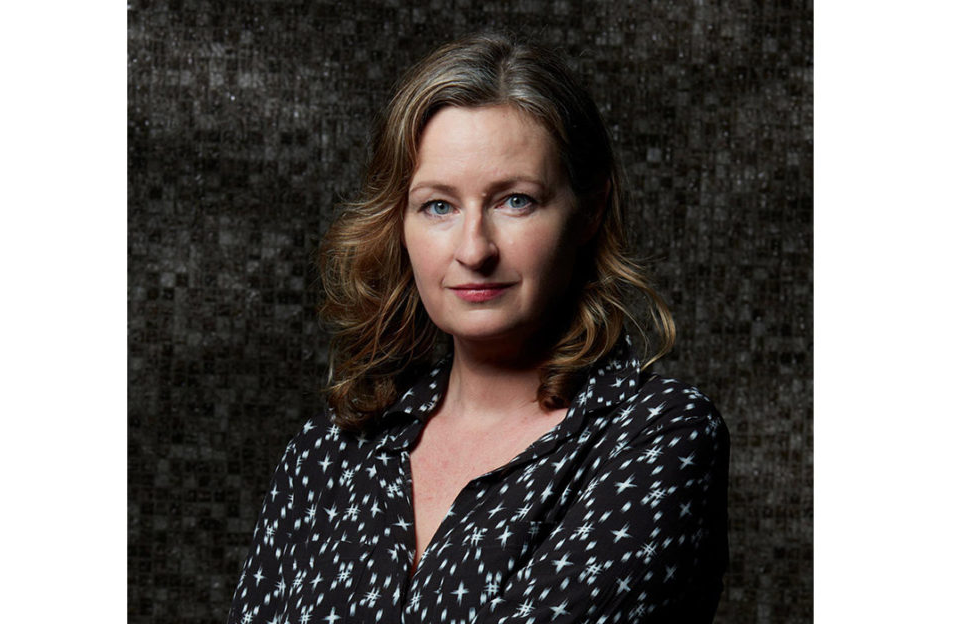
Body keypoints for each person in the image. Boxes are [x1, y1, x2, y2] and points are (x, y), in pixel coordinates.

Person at [227, 33, 728, 624]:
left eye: (515, 201)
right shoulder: (326, 454)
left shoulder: (657, 436)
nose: (474, 249)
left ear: (589, 210)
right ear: (399, 222)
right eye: (438, 206)